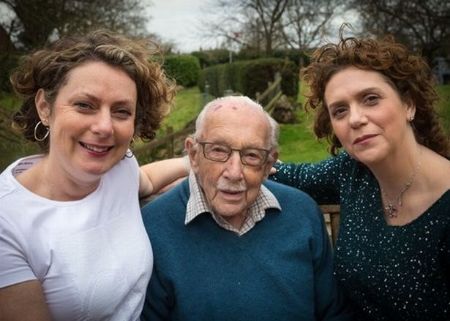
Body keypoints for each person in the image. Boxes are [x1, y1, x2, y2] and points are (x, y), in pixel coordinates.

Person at [0, 30, 188, 320]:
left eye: (121, 111)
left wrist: (195, 162)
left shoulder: (120, 168)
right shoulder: (7, 223)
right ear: (44, 107)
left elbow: (146, 179)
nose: (104, 127)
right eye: (84, 105)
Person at [271, 32, 450, 321]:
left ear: (409, 104)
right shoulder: (353, 173)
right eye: (340, 110)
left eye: (370, 99)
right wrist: (200, 161)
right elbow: (281, 174)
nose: (355, 118)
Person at [140, 96, 352, 321]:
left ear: (268, 165)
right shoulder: (153, 227)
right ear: (193, 155)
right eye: (218, 151)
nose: (234, 172)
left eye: (251, 155)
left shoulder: (303, 214)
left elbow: (334, 313)